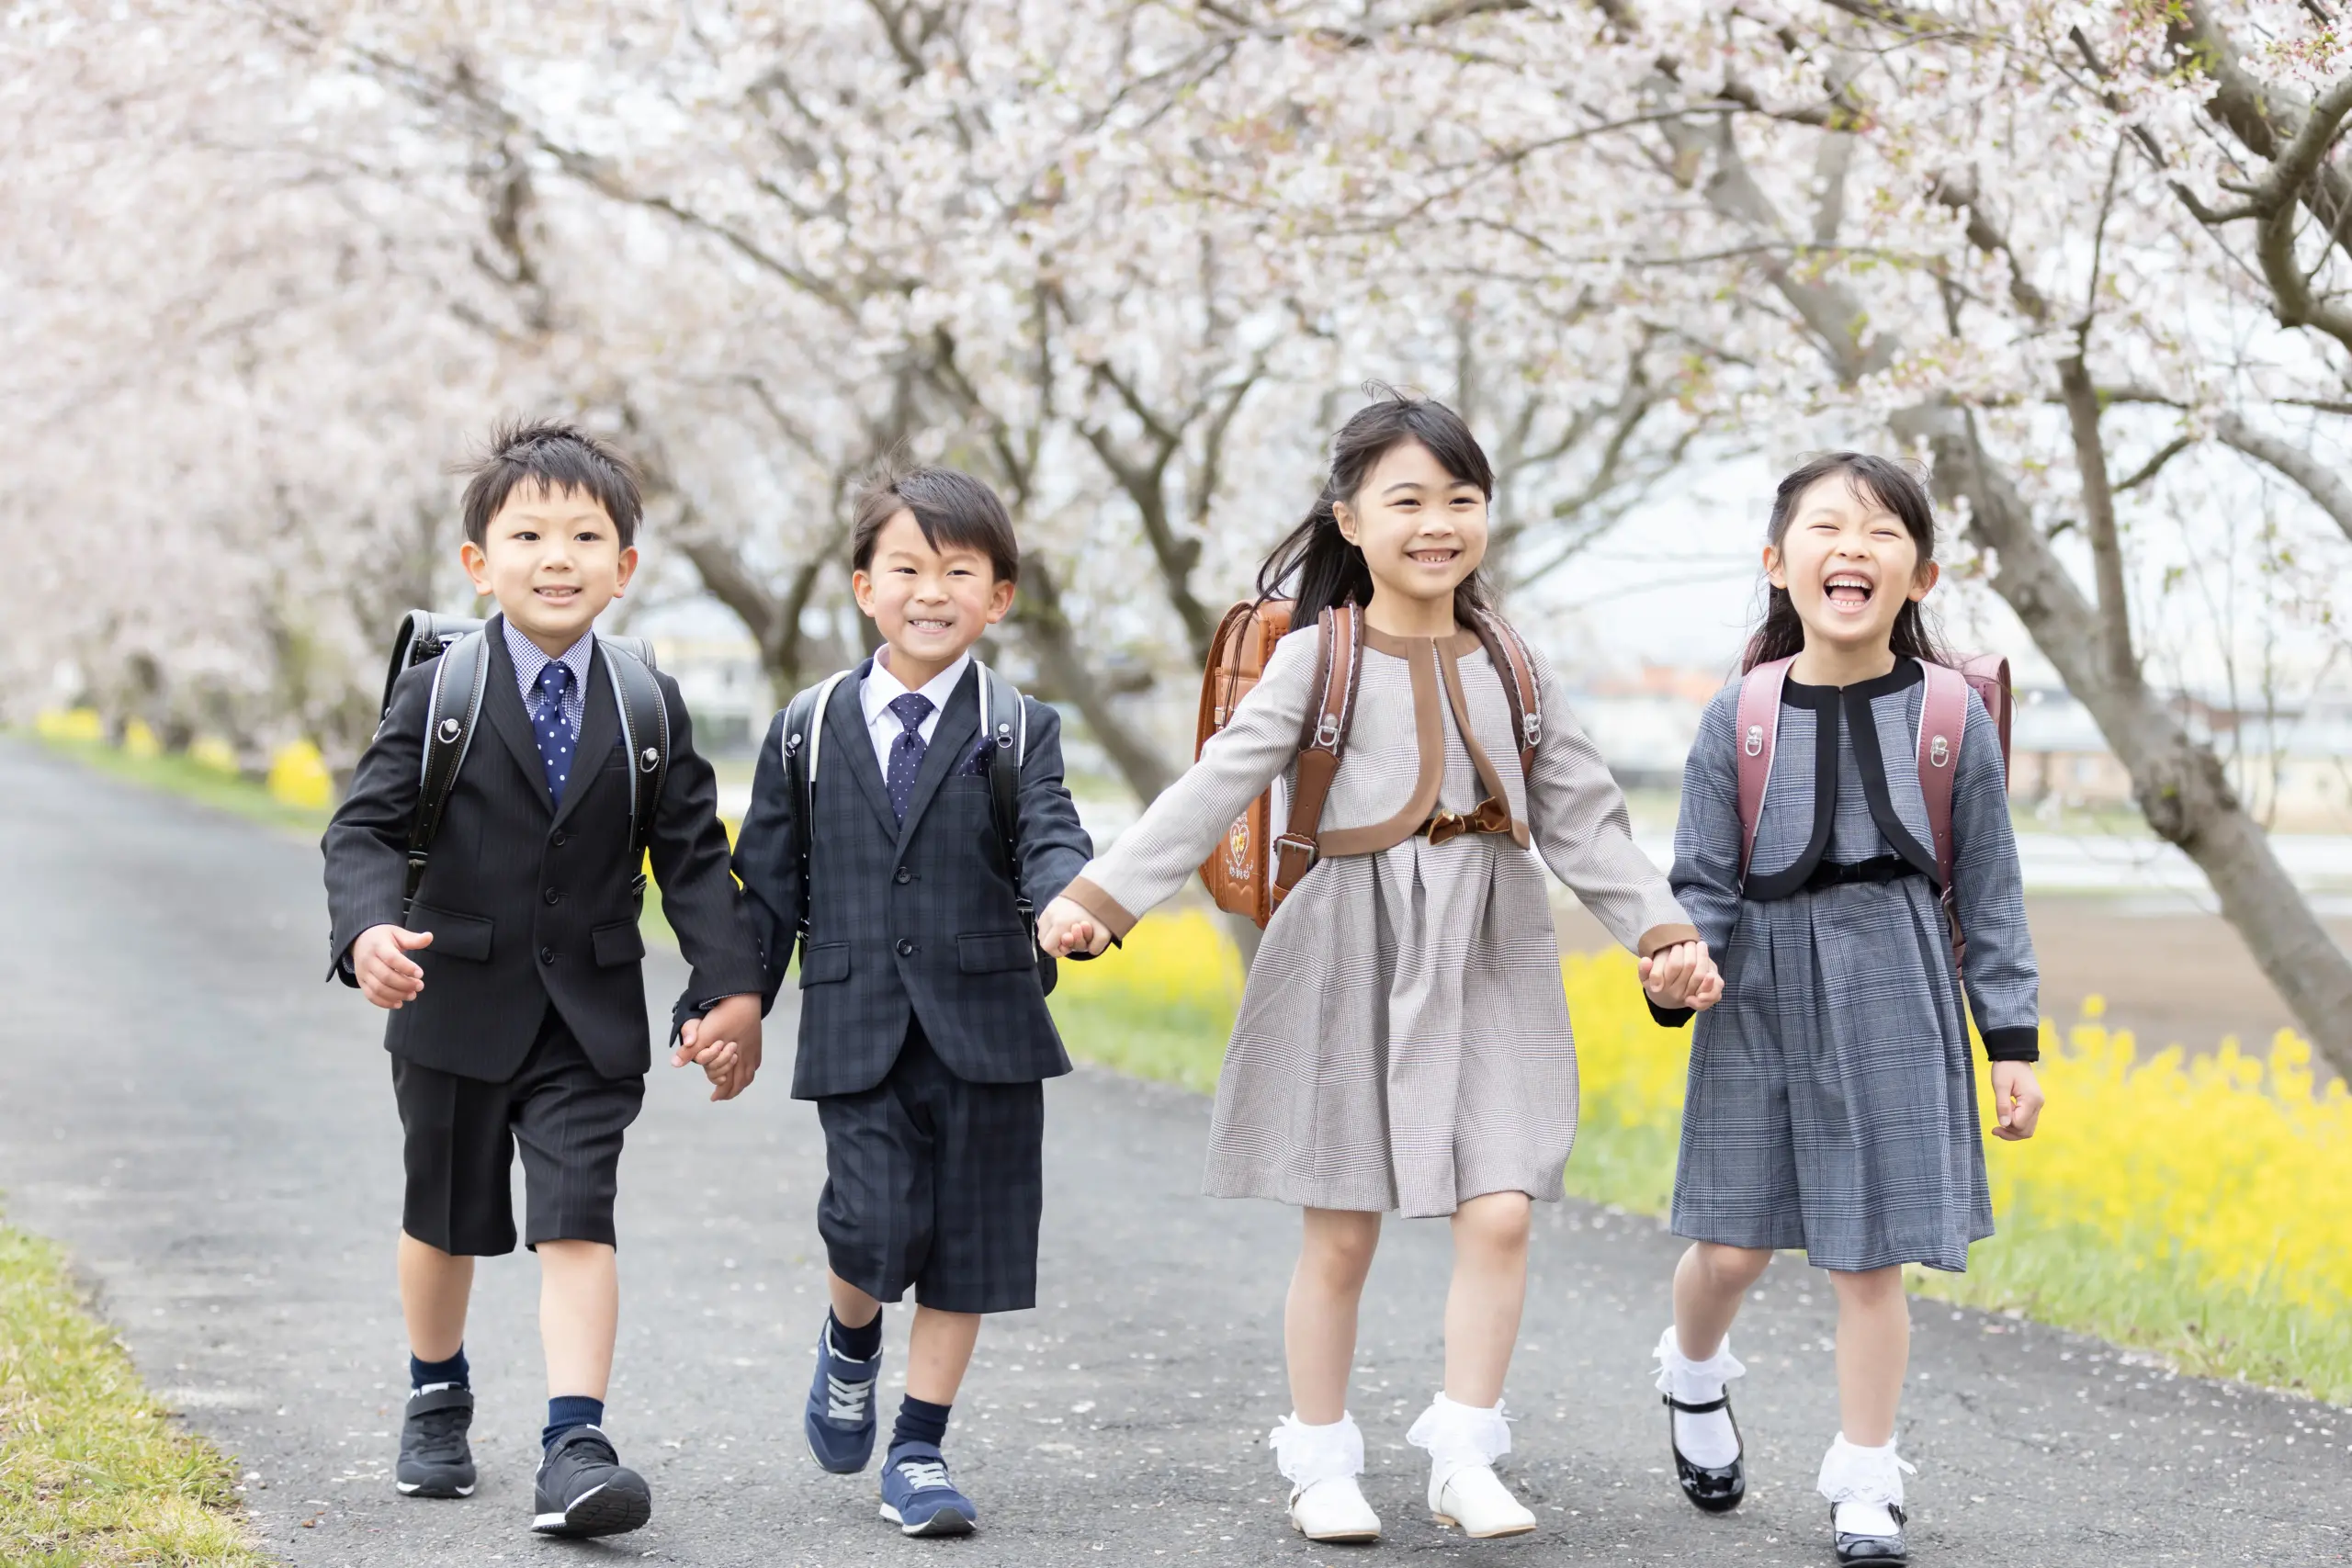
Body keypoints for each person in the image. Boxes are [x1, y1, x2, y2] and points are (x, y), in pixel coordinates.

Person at [1036, 391, 1721, 1544]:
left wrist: (1663, 934)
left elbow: (1586, 820)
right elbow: (1215, 783)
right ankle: (1320, 1461)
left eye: (1460, 498)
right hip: (1346, 943)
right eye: (1407, 500)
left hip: (1492, 943)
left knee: (1500, 1209)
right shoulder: (1318, 657)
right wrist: (1103, 900)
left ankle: (1465, 1452)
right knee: (1342, 1228)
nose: (1437, 523)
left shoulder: (1515, 663)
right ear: (1350, 522)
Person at [322, 420, 767, 1540]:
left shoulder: (647, 703)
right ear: (480, 563)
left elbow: (693, 860)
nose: (556, 557)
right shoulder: (443, 690)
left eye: (585, 536)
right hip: (451, 1003)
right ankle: (436, 1394)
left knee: (578, 1216)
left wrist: (731, 985)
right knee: (447, 1217)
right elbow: (363, 831)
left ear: (626, 567)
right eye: (528, 536)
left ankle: (575, 1444)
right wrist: (369, 933)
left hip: (589, 1015)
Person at [1647, 453, 2044, 1566]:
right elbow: (1700, 879)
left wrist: (2010, 1044)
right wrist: (1682, 969)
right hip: (1757, 990)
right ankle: (1690, 1372)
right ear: (1778, 563)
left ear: (1921, 575)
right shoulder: (1737, 715)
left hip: (1897, 984)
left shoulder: (1952, 716)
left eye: (1881, 532)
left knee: (1870, 1258)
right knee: (1731, 1251)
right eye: (1825, 527)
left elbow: (1991, 891)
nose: (1852, 548)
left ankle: (1866, 1480)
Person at [726, 465, 1091, 1540]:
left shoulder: (1019, 725)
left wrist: (1072, 902)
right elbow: (767, 886)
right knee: (872, 1222)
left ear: (999, 596)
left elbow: (1051, 834)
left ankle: (919, 1449)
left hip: (990, 1022)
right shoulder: (805, 726)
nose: (932, 592)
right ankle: (850, 1342)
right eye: (907, 569)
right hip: (856, 1018)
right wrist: (732, 999)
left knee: (970, 1245)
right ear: (863, 587)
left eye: (960, 572)